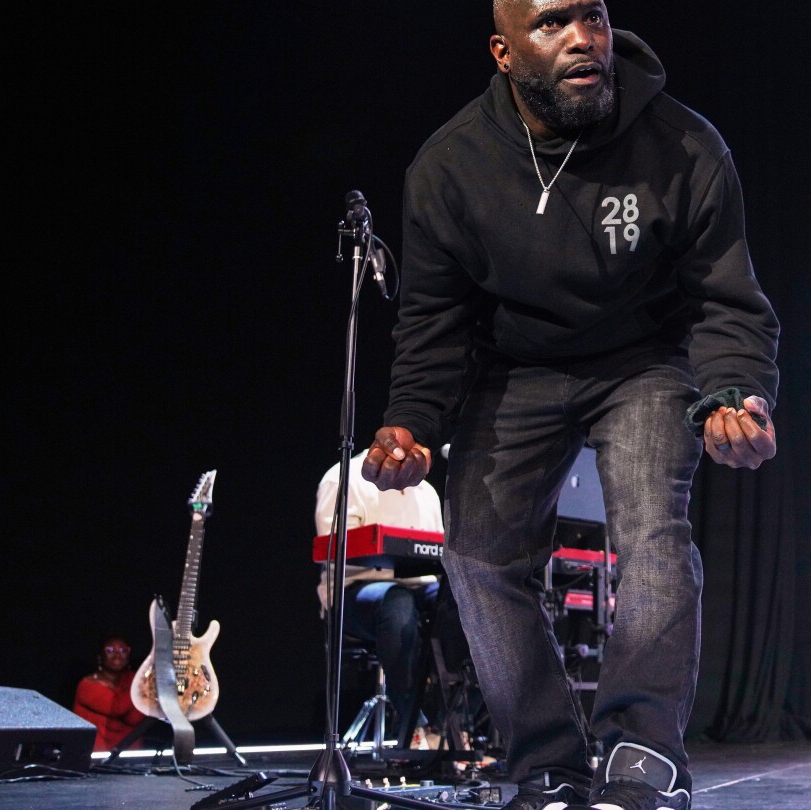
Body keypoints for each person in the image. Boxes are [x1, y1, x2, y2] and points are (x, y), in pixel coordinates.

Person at [361, 2, 780, 808]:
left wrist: (735, 390)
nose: (583, 38)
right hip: (514, 368)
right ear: (504, 51)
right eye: (552, 24)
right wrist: (412, 420)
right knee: (478, 551)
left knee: (652, 529)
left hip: (644, 358)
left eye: (593, 16)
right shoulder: (449, 166)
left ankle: (642, 756)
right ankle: (547, 764)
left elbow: (727, 297)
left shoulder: (683, 144)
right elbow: (433, 322)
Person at [315, 448, 445, 749]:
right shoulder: (343, 479)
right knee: (398, 602)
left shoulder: (427, 491)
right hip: (356, 589)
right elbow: (334, 549)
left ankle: (450, 725)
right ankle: (412, 726)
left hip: (419, 586)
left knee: (466, 604)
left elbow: (436, 551)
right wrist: (389, 550)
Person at [72, 635, 147, 752]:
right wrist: (144, 686)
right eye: (110, 650)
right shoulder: (87, 685)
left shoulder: (134, 680)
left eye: (123, 650)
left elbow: (135, 718)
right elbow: (118, 707)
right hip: (97, 756)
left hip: (130, 755)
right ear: (100, 656)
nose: (117, 654)